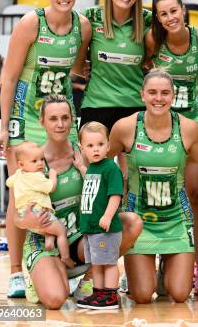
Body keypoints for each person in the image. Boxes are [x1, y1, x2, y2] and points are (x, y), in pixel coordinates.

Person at [0, 0, 92, 298]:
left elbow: (78, 68)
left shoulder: (82, 26)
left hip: (60, 116)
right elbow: (8, 77)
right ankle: (15, 272)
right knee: (21, 195)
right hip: (26, 118)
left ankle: (66, 261)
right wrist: (5, 126)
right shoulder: (30, 22)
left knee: (70, 184)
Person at [14, 95, 142, 309]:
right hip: (47, 240)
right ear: (42, 121)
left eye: (65, 117)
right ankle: (44, 274)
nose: (60, 124)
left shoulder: (86, 151)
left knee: (131, 223)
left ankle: (90, 279)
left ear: (73, 120)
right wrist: (27, 221)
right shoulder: (32, 159)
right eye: (53, 118)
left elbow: (110, 189)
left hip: (82, 235)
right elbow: (16, 216)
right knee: (56, 300)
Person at [108, 69, 198, 304]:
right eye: (152, 92)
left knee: (179, 294)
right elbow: (103, 165)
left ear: (173, 95)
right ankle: (147, 270)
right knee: (141, 296)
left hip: (177, 219)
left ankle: (166, 267)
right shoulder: (125, 127)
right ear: (142, 95)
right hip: (140, 220)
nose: (158, 98)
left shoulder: (188, 128)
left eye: (165, 93)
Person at [145, 0, 198, 295]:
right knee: (160, 196)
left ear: (183, 9)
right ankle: (160, 261)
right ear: (157, 18)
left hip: (196, 128)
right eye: (163, 13)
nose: (170, 17)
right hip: (161, 128)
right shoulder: (152, 42)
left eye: (174, 11)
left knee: (196, 195)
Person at [74, 0, 152, 132]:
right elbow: (74, 61)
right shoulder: (90, 16)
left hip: (135, 105)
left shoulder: (147, 20)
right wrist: (85, 69)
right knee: (91, 158)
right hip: (97, 104)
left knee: (132, 159)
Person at [76, 122, 123, 310]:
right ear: (82, 148)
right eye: (90, 146)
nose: (96, 149)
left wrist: (108, 215)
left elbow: (115, 194)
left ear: (108, 145)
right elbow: (90, 178)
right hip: (91, 229)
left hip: (105, 228)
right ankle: (99, 293)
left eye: (100, 144)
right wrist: (80, 167)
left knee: (108, 262)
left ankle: (110, 295)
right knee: (97, 263)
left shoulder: (110, 168)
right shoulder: (94, 168)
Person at [6, 141, 74, 269]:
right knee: (61, 231)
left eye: (42, 159)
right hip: (39, 212)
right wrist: (52, 175)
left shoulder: (19, 174)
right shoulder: (36, 176)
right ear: (21, 164)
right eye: (34, 161)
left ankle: (49, 240)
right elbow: (51, 187)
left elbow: (9, 182)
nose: (40, 163)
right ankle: (66, 257)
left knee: (49, 229)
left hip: (25, 214)